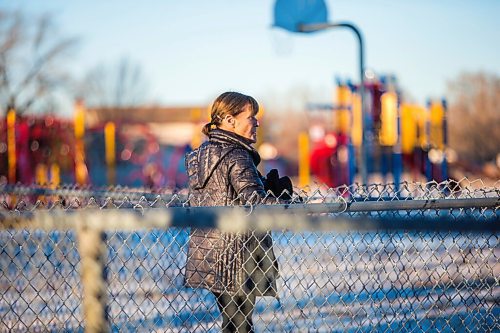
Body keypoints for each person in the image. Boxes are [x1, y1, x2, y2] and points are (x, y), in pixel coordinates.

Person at [184, 92, 292, 332]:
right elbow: (255, 202)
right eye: (251, 117)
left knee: (233, 324)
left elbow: (227, 192)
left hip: (209, 251)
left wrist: (265, 186)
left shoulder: (200, 155)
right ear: (230, 120)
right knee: (239, 326)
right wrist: (288, 204)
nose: (257, 122)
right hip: (239, 255)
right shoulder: (237, 154)